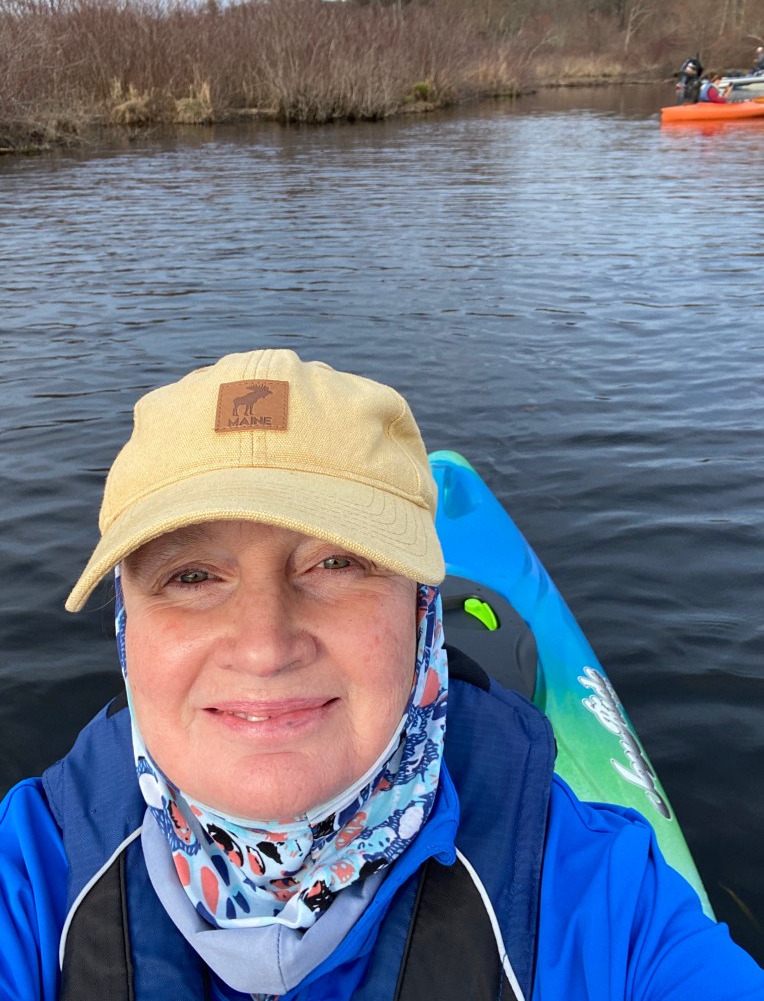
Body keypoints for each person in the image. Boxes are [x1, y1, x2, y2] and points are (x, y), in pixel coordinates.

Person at [1, 347, 763, 1001]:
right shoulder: (29, 878)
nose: (265, 647)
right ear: (127, 629)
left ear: (422, 612)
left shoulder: (600, 902)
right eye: (192, 576)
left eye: (336, 562)